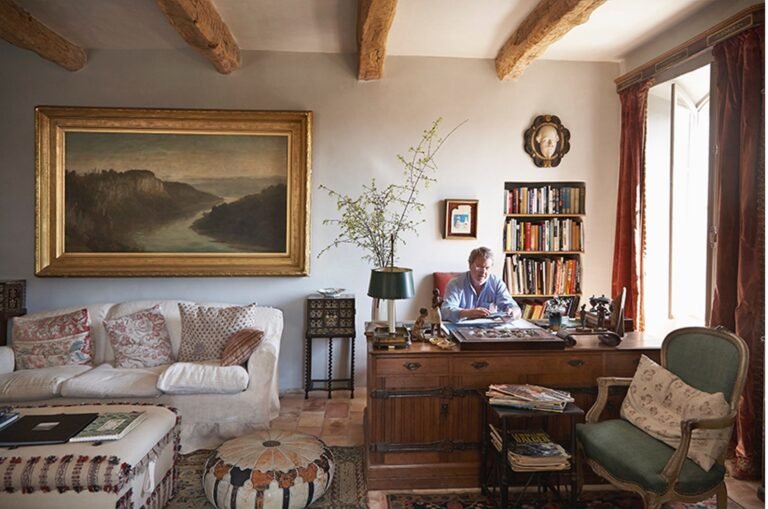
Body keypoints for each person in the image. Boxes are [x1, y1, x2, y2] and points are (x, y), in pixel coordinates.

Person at [441, 247, 522, 322]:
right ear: (470, 265)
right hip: (461, 329)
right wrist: (467, 313)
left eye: (487, 268)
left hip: (490, 332)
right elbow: (445, 311)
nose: (483, 272)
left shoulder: (497, 283)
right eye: (479, 267)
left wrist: (512, 312)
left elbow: (513, 307)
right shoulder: (455, 283)